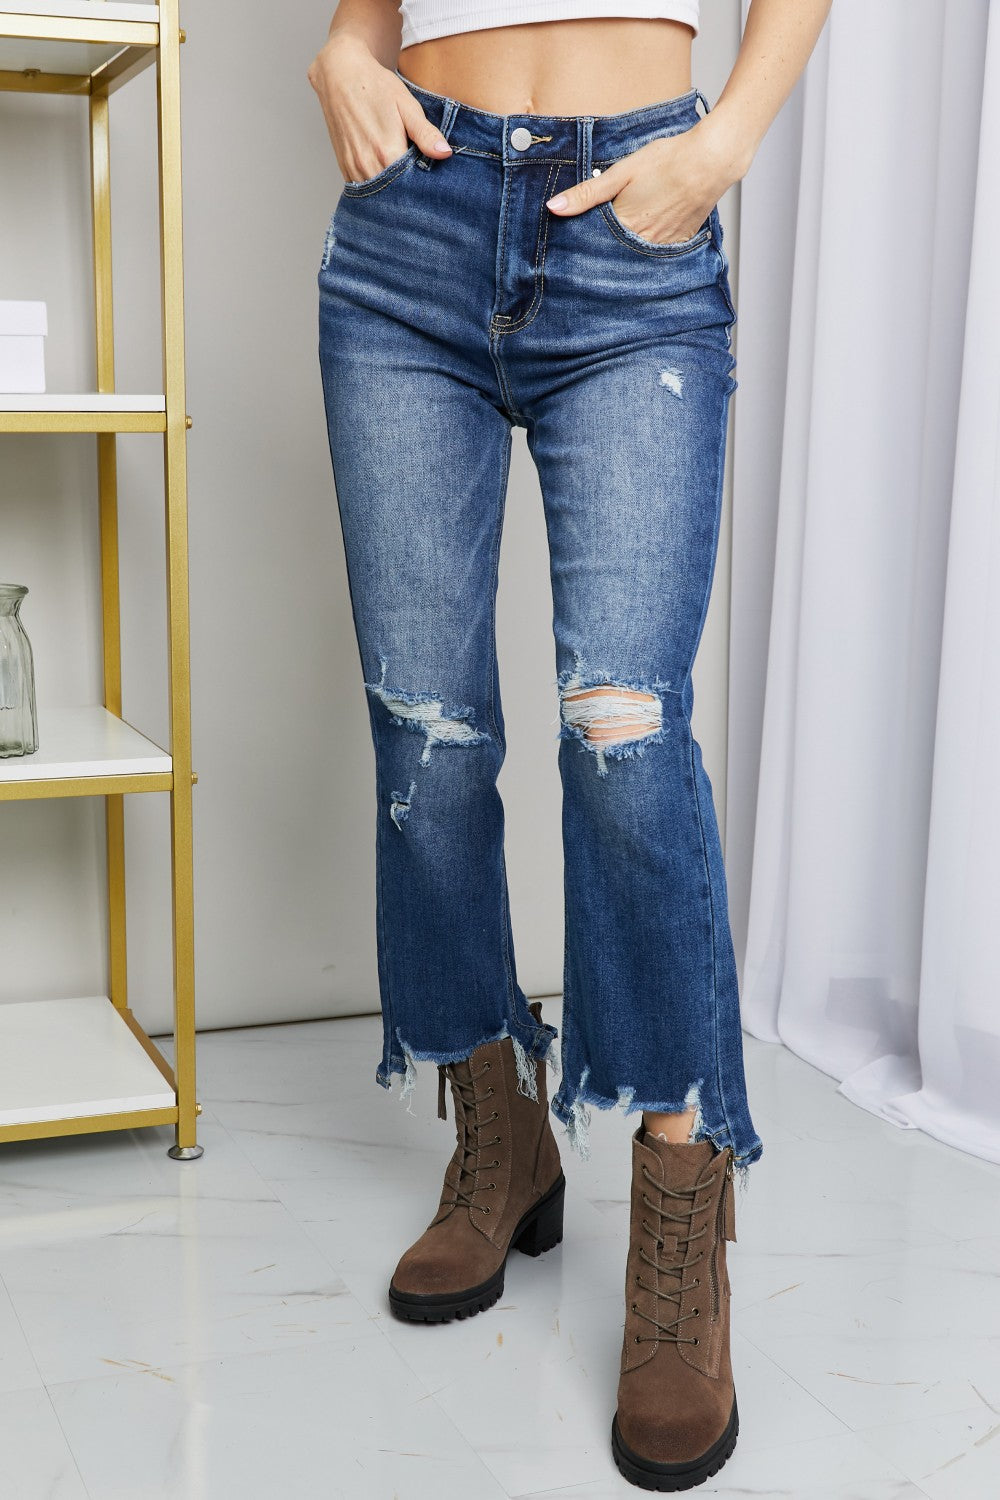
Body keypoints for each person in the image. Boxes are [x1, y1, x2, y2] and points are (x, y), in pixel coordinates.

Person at [309, 0, 830, 1488]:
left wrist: (723, 139)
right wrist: (349, 48)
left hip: (633, 226)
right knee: (427, 744)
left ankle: (680, 1205)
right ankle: (500, 1133)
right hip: (408, 226)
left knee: (625, 737)